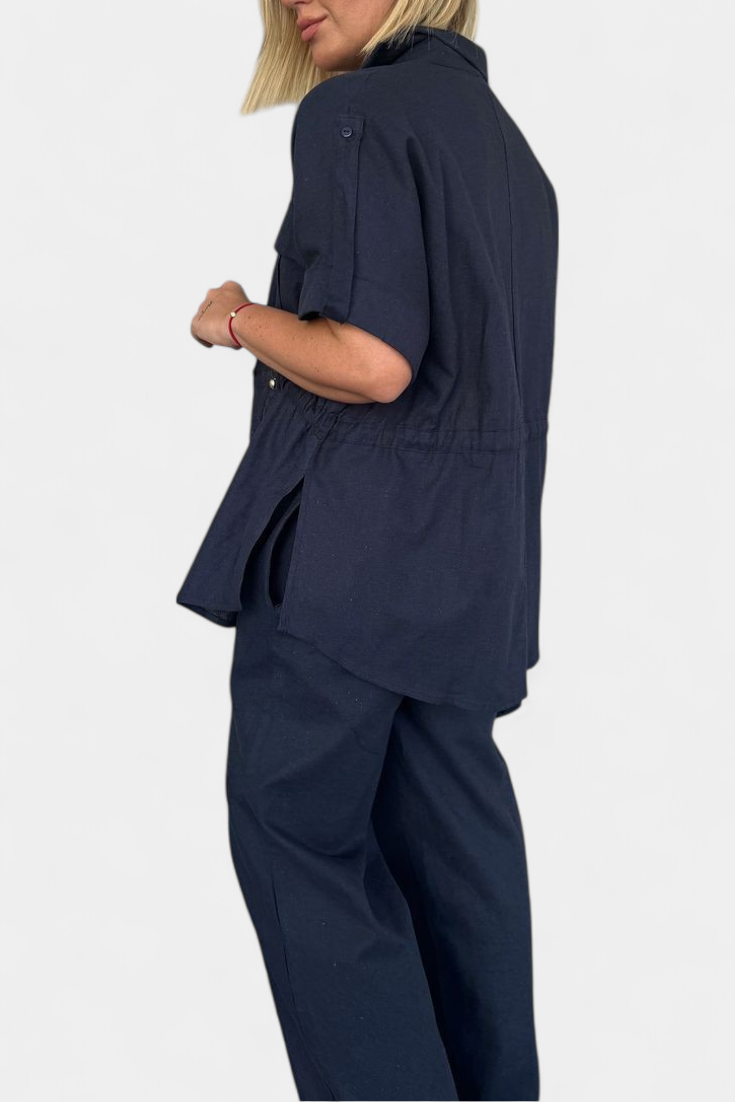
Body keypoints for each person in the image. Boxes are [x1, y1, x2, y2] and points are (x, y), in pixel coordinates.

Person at [179, 2, 558, 1099]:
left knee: (293, 835)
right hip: (472, 575)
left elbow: (372, 361)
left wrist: (237, 319)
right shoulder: (508, 150)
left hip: (345, 566)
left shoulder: (356, 114)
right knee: (456, 866)